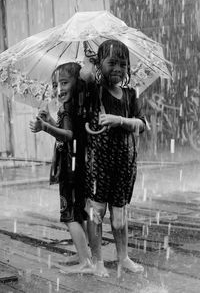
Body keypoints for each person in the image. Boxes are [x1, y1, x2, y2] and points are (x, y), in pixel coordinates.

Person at [82, 39, 146, 277]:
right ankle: (97, 261)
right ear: (100, 64)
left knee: (119, 215)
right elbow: (85, 76)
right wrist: (89, 63)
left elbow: (141, 124)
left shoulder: (130, 95)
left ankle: (123, 257)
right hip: (99, 163)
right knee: (96, 211)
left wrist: (120, 120)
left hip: (124, 163)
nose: (118, 68)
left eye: (123, 64)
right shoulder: (94, 91)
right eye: (111, 63)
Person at [29, 62, 93, 274]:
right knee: (79, 212)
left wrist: (45, 127)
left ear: (78, 83)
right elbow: (69, 131)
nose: (59, 89)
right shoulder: (80, 105)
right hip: (82, 164)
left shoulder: (67, 108)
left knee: (70, 216)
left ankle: (85, 262)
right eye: (56, 85)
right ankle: (83, 252)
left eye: (64, 83)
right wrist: (51, 121)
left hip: (71, 168)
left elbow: (68, 136)